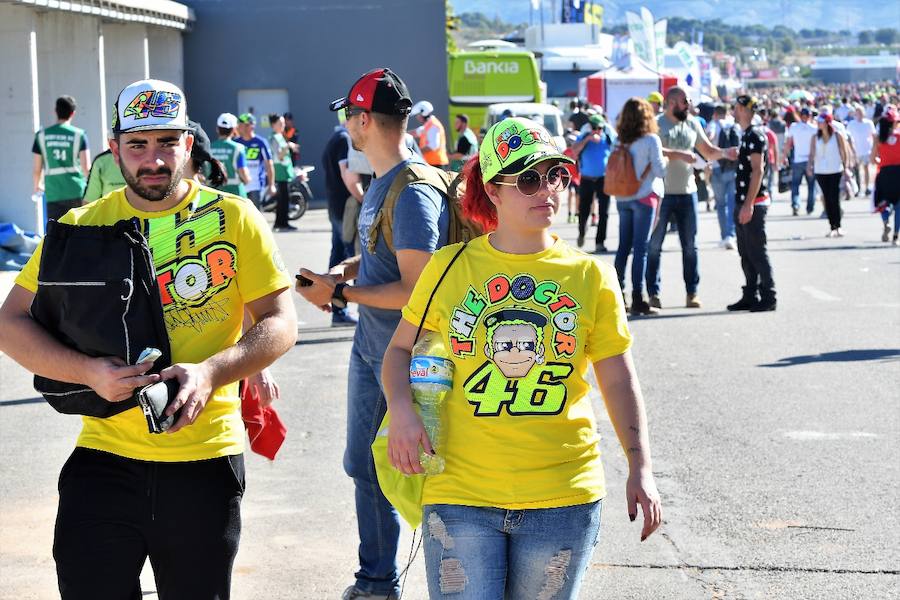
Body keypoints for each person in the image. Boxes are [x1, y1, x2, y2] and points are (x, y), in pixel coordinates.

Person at [0, 78, 297, 599]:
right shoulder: (81, 226)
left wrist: (211, 372)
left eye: (167, 142)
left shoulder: (233, 218)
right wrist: (87, 372)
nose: (153, 159)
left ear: (188, 143)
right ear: (114, 149)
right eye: (137, 145)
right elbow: (10, 323)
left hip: (204, 462)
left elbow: (279, 320)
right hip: (103, 458)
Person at [381, 116, 662, 599]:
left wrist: (641, 467)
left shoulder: (592, 276)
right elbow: (399, 350)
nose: (546, 189)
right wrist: (402, 412)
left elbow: (618, 379)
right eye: (528, 178)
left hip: (563, 495)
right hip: (460, 494)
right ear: (492, 190)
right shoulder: (449, 266)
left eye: (555, 175)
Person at [296, 67, 450, 600]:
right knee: (366, 465)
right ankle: (377, 579)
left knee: (412, 472)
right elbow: (390, 257)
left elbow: (417, 288)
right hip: (373, 347)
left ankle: (385, 582)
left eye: (348, 117)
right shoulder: (390, 185)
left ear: (363, 121)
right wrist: (343, 274)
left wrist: (339, 296)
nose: (346, 127)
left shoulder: (412, 193)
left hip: (407, 356)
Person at [647, 86, 738, 310]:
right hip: (661, 193)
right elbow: (650, 150)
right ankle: (653, 293)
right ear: (669, 102)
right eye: (683, 101)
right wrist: (678, 154)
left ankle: (692, 292)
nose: (687, 104)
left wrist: (726, 152)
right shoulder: (656, 123)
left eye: (688, 100)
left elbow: (707, 150)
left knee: (690, 246)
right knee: (655, 246)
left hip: (688, 193)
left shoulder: (692, 123)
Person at [613, 98, 666, 316]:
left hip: (623, 197)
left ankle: (618, 295)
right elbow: (661, 171)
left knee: (623, 248)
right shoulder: (651, 140)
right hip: (644, 197)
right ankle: (638, 298)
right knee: (641, 249)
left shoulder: (620, 140)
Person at [727, 95, 777, 312]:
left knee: (757, 251)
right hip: (744, 201)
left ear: (745, 110)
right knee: (745, 252)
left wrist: (748, 204)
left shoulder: (755, 135)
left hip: (754, 203)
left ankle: (768, 295)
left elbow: (758, 170)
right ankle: (750, 294)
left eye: (737, 108)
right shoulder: (746, 134)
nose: (735, 111)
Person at [320, 114, 360, 326]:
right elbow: (348, 175)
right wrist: (363, 198)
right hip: (345, 209)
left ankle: (339, 310)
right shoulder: (344, 139)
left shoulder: (334, 138)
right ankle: (343, 310)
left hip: (336, 207)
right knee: (349, 258)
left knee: (338, 256)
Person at [32, 95, 90, 222]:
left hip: (54, 193)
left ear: (55, 111)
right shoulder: (79, 135)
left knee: (56, 235)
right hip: (76, 191)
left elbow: (37, 169)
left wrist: (37, 186)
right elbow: (86, 168)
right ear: (73, 113)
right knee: (78, 232)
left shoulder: (41, 136)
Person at [572, 114, 614, 252]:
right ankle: (582, 232)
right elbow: (574, 151)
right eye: (595, 128)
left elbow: (616, 150)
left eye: (600, 128)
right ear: (590, 128)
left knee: (604, 213)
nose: (597, 131)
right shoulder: (584, 137)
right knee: (584, 210)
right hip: (587, 179)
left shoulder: (607, 138)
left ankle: (600, 242)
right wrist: (588, 139)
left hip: (603, 179)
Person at [807, 110, 850, 237]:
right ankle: (832, 226)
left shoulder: (837, 136)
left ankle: (838, 226)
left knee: (834, 197)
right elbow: (812, 153)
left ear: (827, 123)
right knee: (826, 197)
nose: (818, 124)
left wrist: (846, 166)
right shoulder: (815, 137)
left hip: (835, 169)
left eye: (821, 122)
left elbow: (844, 152)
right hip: (821, 171)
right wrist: (809, 166)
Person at [707, 104, 739, 249]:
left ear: (715, 113)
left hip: (717, 167)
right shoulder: (734, 124)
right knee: (732, 202)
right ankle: (731, 235)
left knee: (720, 204)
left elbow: (710, 137)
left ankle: (724, 235)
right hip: (732, 167)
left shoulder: (713, 124)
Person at [871, 106, 900, 246]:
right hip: (898, 173)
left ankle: (886, 220)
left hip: (884, 174)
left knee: (884, 202)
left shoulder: (879, 139)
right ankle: (896, 235)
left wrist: (882, 160)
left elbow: (872, 159)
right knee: (899, 206)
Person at [235, 113, 276, 209]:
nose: (239, 127)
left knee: (255, 216)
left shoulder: (261, 142)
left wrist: (271, 185)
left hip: (256, 186)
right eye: (239, 125)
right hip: (240, 186)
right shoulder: (236, 143)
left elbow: (269, 164)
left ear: (250, 126)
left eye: (242, 125)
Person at [783, 107, 818, 215]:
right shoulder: (814, 128)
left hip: (798, 160)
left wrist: (784, 156)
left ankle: (796, 204)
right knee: (811, 185)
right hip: (810, 161)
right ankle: (810, 207)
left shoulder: (794, 127)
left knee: (795, 185)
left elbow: (788, 143)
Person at [268, 113, 299, 232]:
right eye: (280, 123)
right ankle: (282, 223)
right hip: (279, 171)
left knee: (284, 198)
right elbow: (280, 156)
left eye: (283, 123)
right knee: (283, 199)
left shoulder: (280, 136)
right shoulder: (274, 138)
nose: (283, 125)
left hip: (284, 171)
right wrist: (288, 146)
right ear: (273, 125)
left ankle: (281, 222)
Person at [210, 112, 251, 198]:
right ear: (233, 130)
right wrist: (247, 180)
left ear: (217, 129)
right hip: (235, 194)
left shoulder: (209, 148)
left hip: (214, 194)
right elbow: (242, 171)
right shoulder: (239, 148)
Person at [847, 104, 877, 197]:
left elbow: (873, 135)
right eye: (857, 112)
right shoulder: (851, 124)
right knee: (856, 171)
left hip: (866, 150)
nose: (859, 114)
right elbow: (848, 137)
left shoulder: (868, 123)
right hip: (855, 151)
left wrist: (874, 149)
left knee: (866, 168)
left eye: (860, 112)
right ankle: (858, 188)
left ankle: (867, 187)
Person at [410, 100, 449, 168]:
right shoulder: (428, 125)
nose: (417, 117)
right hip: (433, 163)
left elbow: (433, 146)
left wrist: (415, 152)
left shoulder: (433, 125)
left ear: (423, 113)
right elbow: (416, 132)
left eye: (417, 115)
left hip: (436, 164)